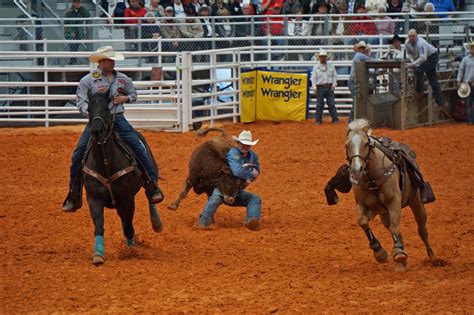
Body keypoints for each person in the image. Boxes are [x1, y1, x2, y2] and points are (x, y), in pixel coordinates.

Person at [62, 46, 163, 212]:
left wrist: (125, 98)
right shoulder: (88, 81)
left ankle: (152, 184)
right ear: (101, 62)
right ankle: (74, 194)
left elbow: (133, 95)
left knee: (138, 146)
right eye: (109, 60)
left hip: (118, 119)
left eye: (113, 59)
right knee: (78, 154)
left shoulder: (123, 79)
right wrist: (95, 114)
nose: (112, 62)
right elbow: (81, 102)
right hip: (97, 122)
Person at [196, 130, 262, 231]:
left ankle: (251, 220)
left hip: (237, 190)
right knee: (216, 198)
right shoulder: (233, 153)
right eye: (243, 144)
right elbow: (237, 171)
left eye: (247, 144)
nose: (245, 146)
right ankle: (203, 221)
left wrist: (251, 176)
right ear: (238, 143)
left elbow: (257, 171)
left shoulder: (253, 156)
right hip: (225, 186)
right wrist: (250, 174)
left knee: (255, 199)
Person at [405, 29, 446, 108]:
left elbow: (423, 58)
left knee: (419, 71)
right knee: (432, 80)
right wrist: (413, 62)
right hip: (426, 57)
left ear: (416, 36)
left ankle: (420, 90)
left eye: (413, 36)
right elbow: (409, 53)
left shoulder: (421, 43)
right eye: (410, 36)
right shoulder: (407, 43)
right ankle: (440, 102)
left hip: (432, 57)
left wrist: (413, 64)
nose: (411, 38)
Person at [311, 50, 339, 125]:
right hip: (320, 87)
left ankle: (334, 119)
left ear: (326, 57)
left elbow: (335, 75)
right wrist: (314, 86)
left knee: (331, 103)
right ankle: (318, 120)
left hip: (329, 86)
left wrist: (334, 84)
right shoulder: (316, 67)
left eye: (324, 57)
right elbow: (313, 78)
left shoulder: (331, 65)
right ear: (319, 58)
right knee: (320, 104)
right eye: (321, 57)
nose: (323, 58)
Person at [348, 41, 372, 122]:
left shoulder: (360, 58)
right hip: (354, 81)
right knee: (356, 102)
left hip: (355, 81)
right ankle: (351, 121)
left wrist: (378, 72)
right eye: (362, 48)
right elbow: (371, 60)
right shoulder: (359, 56)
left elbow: (368, 69)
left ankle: (354, 120)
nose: (363, 49)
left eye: (364, 48)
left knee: (357, 101)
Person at [64, 0, 91, 65]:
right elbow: (65, 24)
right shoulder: (69, 13)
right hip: (70, 33)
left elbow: (88, 15)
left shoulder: (81, 12)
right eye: (75, 2)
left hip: (79, 33)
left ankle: (73, 61)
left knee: (75, 47)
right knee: (73, 46)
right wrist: (70, 32)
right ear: (73, 3)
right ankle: (72, 61)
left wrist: (81, 8)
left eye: (78, 2)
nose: (77, 4)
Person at [456, 41, 474, 125]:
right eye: (472, 47)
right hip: (468, 84)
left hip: (469, 83)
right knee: (468, 103)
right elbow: (461, 69)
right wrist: (458, 80)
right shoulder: (465, 59)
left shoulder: (466, 59)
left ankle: (471, 119)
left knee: (469, 102)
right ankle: (470, 120)